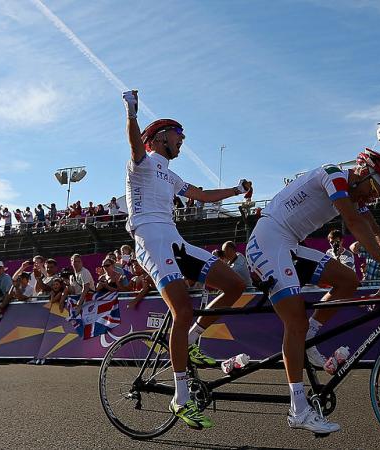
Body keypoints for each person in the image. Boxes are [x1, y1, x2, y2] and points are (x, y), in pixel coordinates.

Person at [245, 147, 380, 434]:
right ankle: (298, 409)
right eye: (374, 188)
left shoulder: (356, 194)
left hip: (290, 243)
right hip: (269, 238)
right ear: (362, 171)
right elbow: (355, 224)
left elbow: (376, 230)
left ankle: (311, 334)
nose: (373, 196)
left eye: (379, 194)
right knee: (295, 320)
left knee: (347, 281)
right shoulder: (334, 175)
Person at [122, 89, 252, 430]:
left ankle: (191, 338)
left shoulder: (172, 175)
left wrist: (237, 190)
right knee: (182, 308)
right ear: (161, 137)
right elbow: (136, 145)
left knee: (235, 285)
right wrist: (132, 114)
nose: (183, 141)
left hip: (174, 239)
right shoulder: (143, 163)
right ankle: (180, 399)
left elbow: (204, 195)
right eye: (179, 135)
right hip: (150, 240)